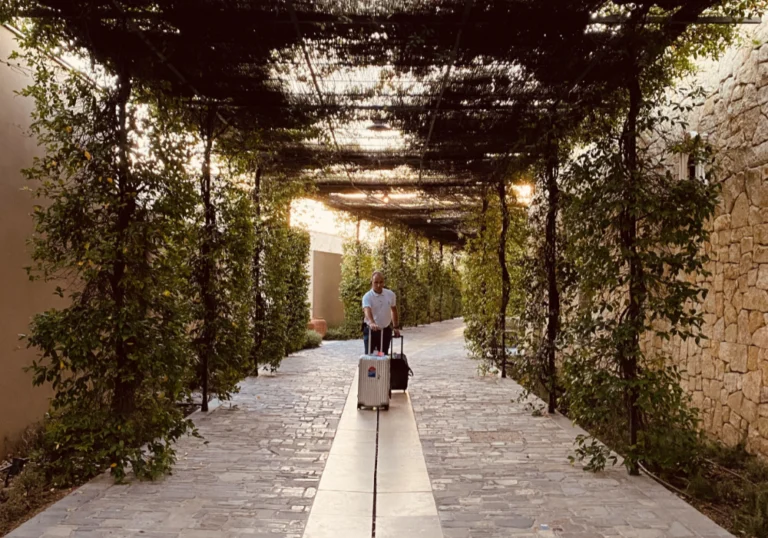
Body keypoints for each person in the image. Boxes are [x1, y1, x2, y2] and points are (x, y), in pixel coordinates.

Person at [362, 271, 401, 355]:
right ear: (371, 283)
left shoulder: (390, 294)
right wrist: (372, 322)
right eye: (376, 282)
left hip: (385, 330)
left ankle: (382, 361)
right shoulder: (367, 296)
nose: (379, 285)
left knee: (383, 355)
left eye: (381, 282)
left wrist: (395, 327)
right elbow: (367, 310)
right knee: (370, 355)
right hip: (371, 331)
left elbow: (393, 310)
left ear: (383, 282)